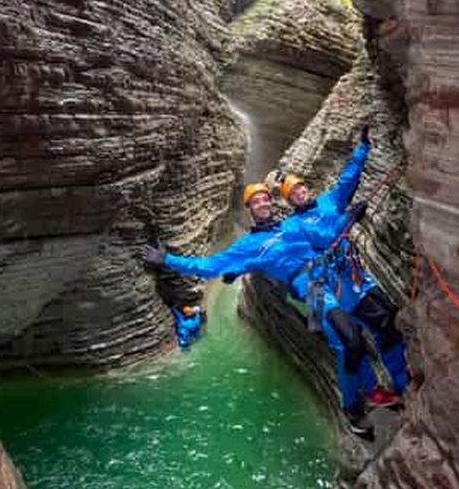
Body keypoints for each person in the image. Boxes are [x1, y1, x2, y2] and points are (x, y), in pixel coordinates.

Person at [143, 180, 382, 437]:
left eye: (265, 198)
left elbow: (324, 237)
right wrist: (167, 259)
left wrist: (348, 219)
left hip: (330, 277)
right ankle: (352, 409)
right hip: (312, 288)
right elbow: (209, 266)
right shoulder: (248, 245)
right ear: (249, 208)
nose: (263, 203)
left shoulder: (289, 225)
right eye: (256, 201)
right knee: (351, 340)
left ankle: (370, 391)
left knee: (348, 341)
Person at [276, 125, 409, 399]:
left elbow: (347, 181)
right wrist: (347, 219)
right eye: (294, 193)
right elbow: (323, 239)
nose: (300, 192)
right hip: (337, 287)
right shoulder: (293, 226)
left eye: (301, 187)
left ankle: (400, 379)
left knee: (390, 321)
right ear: (289, 201)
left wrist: (363, 148)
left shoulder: (328, 201)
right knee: (370, 331)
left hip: (358, 277)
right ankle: (389, 387)